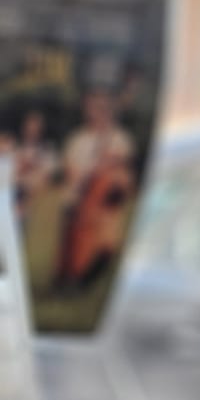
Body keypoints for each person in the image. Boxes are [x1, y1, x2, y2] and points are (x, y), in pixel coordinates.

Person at [55, 92, 135, 292]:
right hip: (78, 200)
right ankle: (70, 280)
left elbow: (124, 172)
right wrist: (91, 172)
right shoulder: (77, 140)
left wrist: (114, 175)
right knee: (73, 248)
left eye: (100, 108)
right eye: (91, 108)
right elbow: (71, 173)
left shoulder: (119, 138)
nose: (96, 113)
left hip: (106, 204)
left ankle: (86, 283)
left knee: (107, 248)